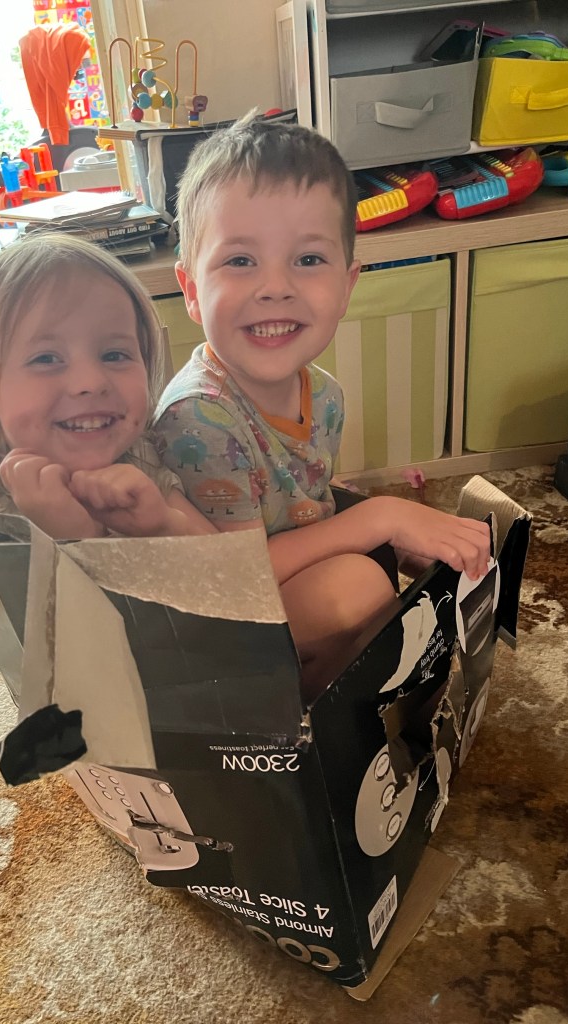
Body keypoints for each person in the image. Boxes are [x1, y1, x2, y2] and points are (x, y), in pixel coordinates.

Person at [154, 114, 491, 697]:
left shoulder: (326, 396)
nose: (275, 287)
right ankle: (304, 717)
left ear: (347, 285)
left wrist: (391, 531)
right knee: (359, 588)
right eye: (240, 261)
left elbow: (304, 511)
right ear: (190, 290)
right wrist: (381, 519)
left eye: (308, 260)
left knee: (412, 555)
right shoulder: (199, 419)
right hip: (215, 624)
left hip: (278, 582)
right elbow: (233, 580)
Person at [0, 231, 214, 540]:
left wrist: (165, 525)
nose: (91, 382)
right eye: (46, 359)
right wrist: (78, 539)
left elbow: (233, 564)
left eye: (114, 355)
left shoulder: (144, 460)